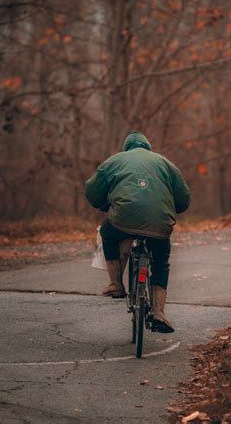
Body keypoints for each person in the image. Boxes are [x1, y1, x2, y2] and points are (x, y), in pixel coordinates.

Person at [85, 130, 191, 333]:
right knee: (160, 261)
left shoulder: (115, 161)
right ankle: (159, 312)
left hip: (122, 219)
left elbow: (92, 190)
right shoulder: (164, 163)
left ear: (126, 148)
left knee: (107, 234)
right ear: (147, 148)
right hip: (159, 224)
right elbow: (184, 198)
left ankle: (116, 284)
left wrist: (104, 205)